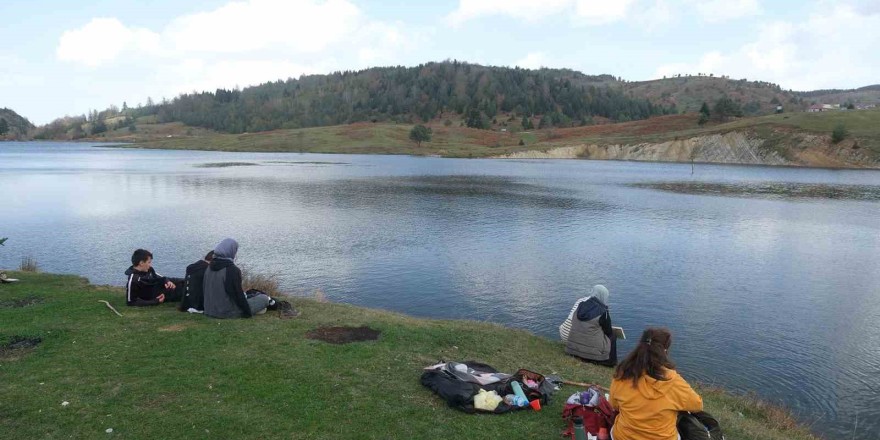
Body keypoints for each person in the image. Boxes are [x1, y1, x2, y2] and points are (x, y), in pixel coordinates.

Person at [609, 327, 703, 440]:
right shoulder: (673, 381)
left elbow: (614, 405)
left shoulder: (623, 374)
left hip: (623, 437)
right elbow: (697, 405)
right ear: (664, 351)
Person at [203, 238, 276, 318]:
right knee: (264, 298)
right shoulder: (231, 269)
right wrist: (247, 312)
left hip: (209, 310)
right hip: (226, 312)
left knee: (251, 296)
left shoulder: (209, 267)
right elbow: (237, 295)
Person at [559, 284, 617, 366]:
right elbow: (608, 331)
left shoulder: (581, 305)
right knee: (613, 335)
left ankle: (580, 352)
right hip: (590, 355)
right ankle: (611, 362)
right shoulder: (603, 311)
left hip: (571, 349)